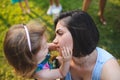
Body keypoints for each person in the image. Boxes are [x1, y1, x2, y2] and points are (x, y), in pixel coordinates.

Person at [52, 10, 120, 80]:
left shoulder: (110, 71)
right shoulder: (62, 61)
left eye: (60, 33)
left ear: (79, 35)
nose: (54, 41)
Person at [3, 20, 72, 80]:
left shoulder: (37, 54)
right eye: (44, 47)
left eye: (45, 43)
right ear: (30, 57)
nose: (47, 45)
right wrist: (67, 61)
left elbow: (48, 47)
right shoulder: (41, 73)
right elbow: (61, 73)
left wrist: (54, 46)